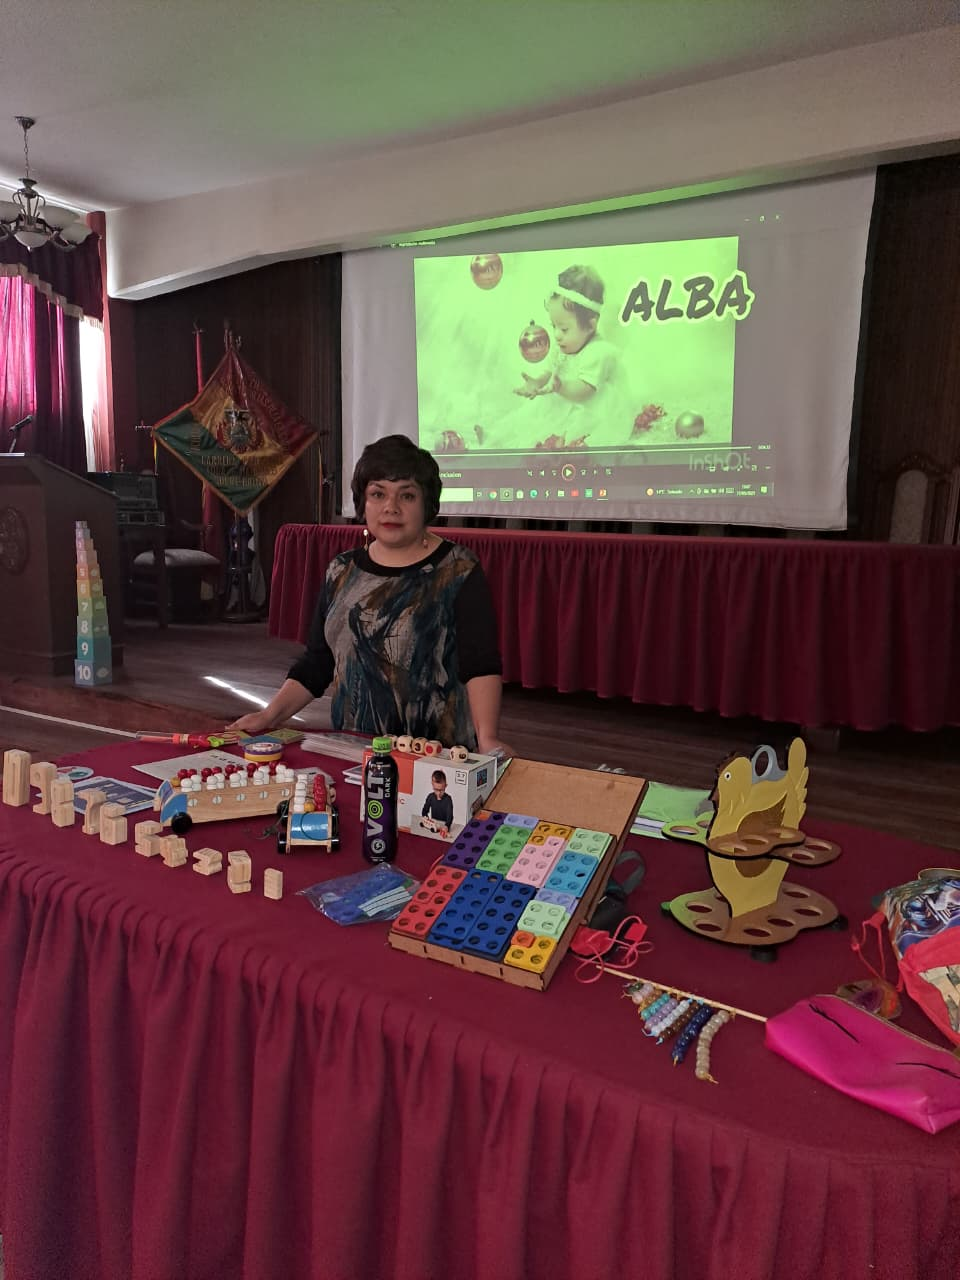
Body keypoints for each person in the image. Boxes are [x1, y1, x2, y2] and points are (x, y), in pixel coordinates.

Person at [228, 435, 508, 755]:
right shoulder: (341, 571)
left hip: (435, 757)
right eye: (378, 494)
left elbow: (480, 665)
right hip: (355, 752)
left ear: (427, 504)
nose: (391, 507)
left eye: (407, 495)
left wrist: (488, 738)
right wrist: (269, 715)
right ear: (363, 502)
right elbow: (318, 663)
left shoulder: (458, 569)